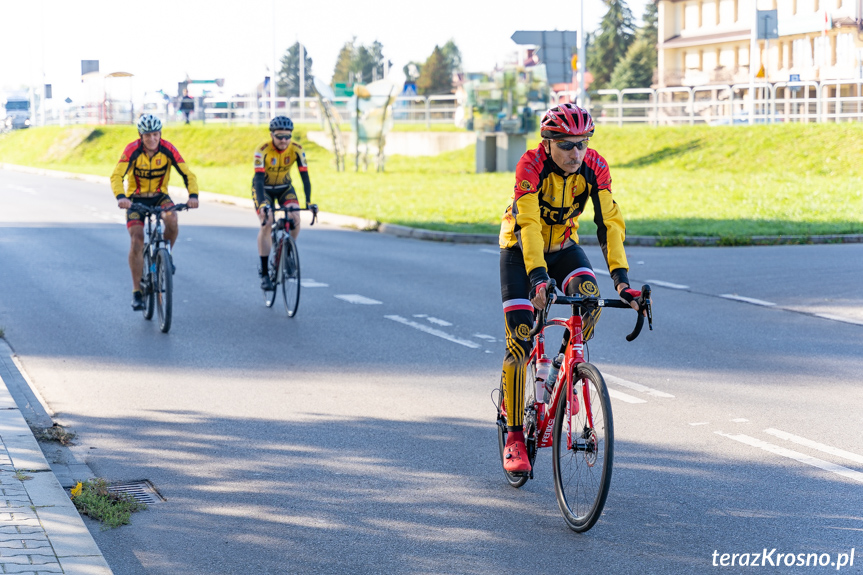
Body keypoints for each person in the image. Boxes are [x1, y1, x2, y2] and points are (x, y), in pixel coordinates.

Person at [498, 103, 643, 474]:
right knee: (521, 339)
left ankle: (566, 371)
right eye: (566, 145)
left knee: (590, 300)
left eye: (582, 143)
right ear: (547, 143)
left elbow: (609, 222)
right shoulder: (530, 166)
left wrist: (623, 282)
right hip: (520, 253)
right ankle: (515, 438)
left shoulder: (594, 166)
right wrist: (536, 278)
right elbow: (528, 224)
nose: (575, 153)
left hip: (563, 248)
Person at [111, 114, 199, 310]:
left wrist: (193, 196)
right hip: (135, 199)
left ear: (160, 134)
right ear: (140, 136)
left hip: (160, 196)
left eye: (156, 134)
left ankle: (166, 255)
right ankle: (136, 292)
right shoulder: (132, 150)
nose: (152, 139)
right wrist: (121, 197)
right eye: (148, 135)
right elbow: (117, 175)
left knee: (172, 220)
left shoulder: (168, 149)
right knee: (137, 239)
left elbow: (187, 173)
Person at [253, 115, 311, 290]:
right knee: (267, 222)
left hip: (285, 188)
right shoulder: (262, 150)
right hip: (264, 189)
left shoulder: (297, 150)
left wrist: (309, 201)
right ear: (271, 135)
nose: (284, 140)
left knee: (295, 217)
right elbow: (258, 180)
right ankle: (264, 273)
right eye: (279, 136)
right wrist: (262, 204)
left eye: (287, 136)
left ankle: (287, 252)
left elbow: (305, 177)